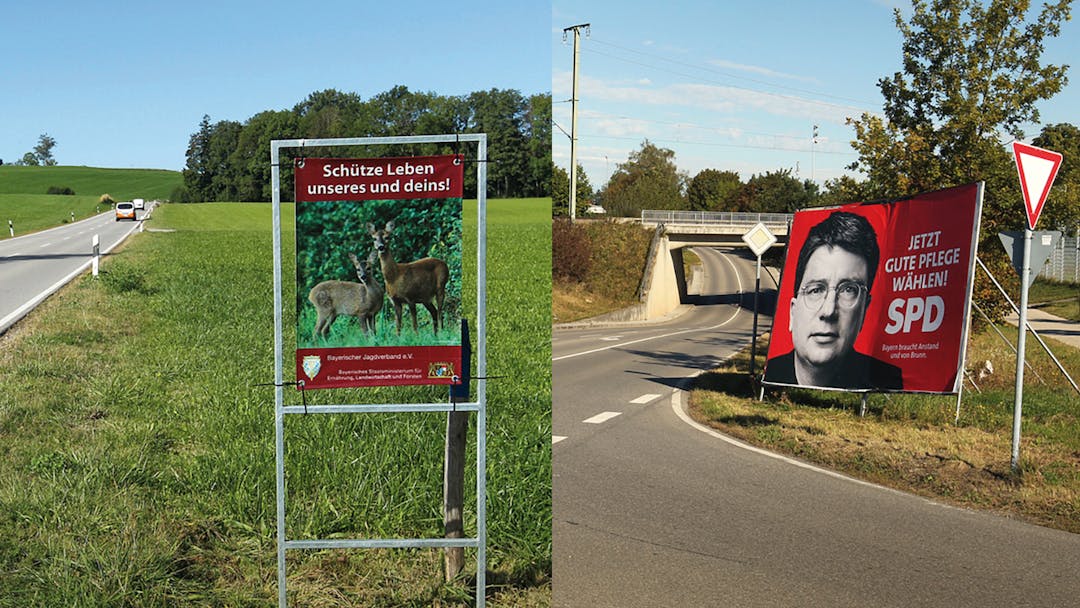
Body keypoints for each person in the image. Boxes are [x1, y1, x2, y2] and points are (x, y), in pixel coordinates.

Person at [764, 211, 903, 391]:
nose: (828, 311)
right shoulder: (771, 375)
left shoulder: (888, 383)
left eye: (848, 290)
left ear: (864, 310)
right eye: (816, 290)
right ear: (792, 311)